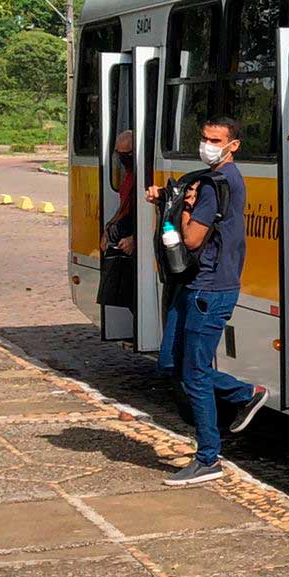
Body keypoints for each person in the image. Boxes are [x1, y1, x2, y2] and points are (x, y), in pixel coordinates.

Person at [148, 116, 268, 486]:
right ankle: (244, 394)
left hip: (209, 290)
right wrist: (167, 198)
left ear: (234, 145)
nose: (208, 145)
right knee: (171, 363)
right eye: (205, 138)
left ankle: (208, 457)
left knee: (195, 373)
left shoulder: (217, 185)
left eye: (216, 140)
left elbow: (192, 238)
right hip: (192, 285)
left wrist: (184, 209)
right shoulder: (209, 178)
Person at [104, 129, 137, 257]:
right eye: (119, 154)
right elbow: (123, 208)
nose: (122, 158)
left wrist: (134, 238)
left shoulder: (144, 177)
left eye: (126, 154)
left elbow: (148, 214)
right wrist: (109, 227)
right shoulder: (128, 174)